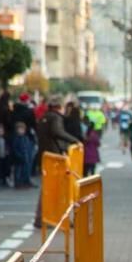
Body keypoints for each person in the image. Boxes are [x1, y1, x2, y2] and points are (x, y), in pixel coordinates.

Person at [34, 97, 81, 227]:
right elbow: (57, 132)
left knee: (47, 188)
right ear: (59, 107)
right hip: (55, 158)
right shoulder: (55, 118)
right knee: (59, 189)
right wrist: (75, 140)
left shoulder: (44, 117)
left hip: (45, 156)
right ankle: (58, 218)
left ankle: (41, 218)